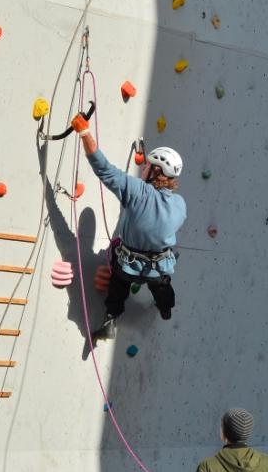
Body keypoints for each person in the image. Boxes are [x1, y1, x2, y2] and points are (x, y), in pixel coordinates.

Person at [71, 113, 187, 341]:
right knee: (162, 287)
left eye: (147, 166)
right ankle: (165, 309)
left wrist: (85, 133)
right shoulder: (180, 204)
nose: (142, 169)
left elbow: (104, 169)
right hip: (159, 269)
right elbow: (155, 224)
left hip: (128, 267)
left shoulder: (137, 191)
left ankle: (110, 319)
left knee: (118, 286)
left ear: (155, 171)